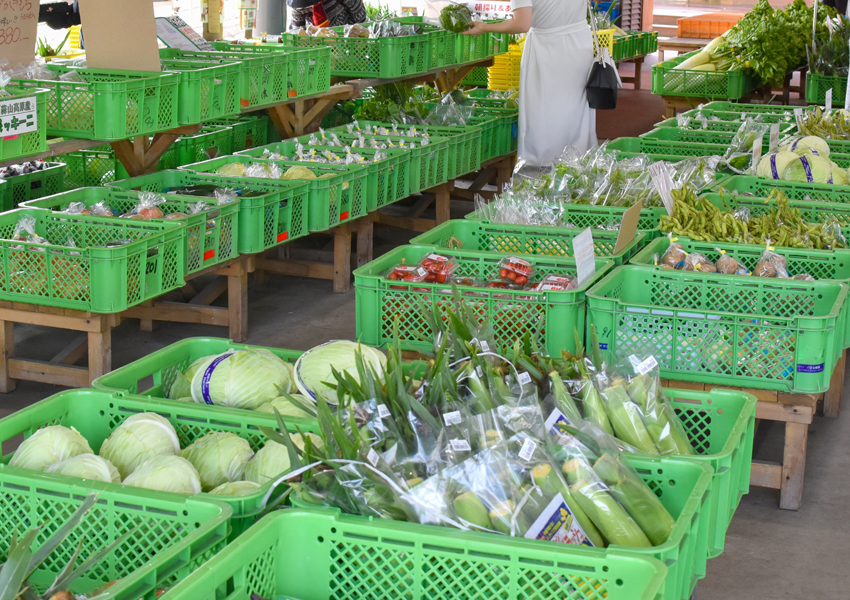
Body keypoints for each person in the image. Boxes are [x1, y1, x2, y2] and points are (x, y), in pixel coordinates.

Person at [464, 0, 596, 166]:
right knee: (575, 108)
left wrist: (484, 27)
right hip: (579, 42)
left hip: (547, 48)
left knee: (544, 111)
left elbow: (521, 23)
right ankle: (579, 165)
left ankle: (545, 170)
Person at [288, 0, 367, 30]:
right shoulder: (298, 6)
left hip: (347, 43)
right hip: (317, 48)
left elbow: (360, 16)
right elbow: (296, 32)